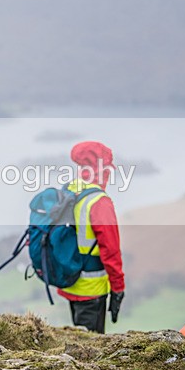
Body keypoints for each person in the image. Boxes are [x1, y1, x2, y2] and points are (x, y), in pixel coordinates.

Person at [58, 141, 125, 334]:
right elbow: (110, 251)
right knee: (90, 349)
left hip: (70, 280)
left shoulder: (70, 188)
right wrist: (118, 288)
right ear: (102, 168)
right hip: (91, 288)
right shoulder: (99, 202)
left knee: (78, 339)